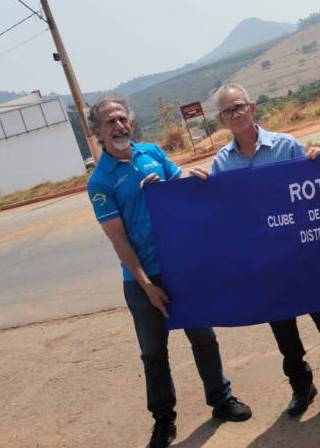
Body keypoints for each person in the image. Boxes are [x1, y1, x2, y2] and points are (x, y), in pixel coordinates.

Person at [85, 97, 252, 448]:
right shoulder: (100, 181)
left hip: (181, 267)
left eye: (122, 118)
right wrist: (147, 285)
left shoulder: (153, 153)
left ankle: (221, 400)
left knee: (203, 338)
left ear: (130, 122)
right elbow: (118, 240)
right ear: (97, 132)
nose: (118, 126)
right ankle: (164, 420)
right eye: (109, 122)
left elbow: (181, 190)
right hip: (141, 281)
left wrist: (193, 177)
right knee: (153, 354)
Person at [189, 83, 320, 418]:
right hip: (265, 262)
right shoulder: (222, 164)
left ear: (251, 107)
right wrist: (197, 187)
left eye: (239, 106)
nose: (235, 114)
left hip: (303, 254)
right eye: (228, 111)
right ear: (221, 120)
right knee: (284, 333)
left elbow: (313, 187)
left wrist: (317, 161)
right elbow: (220, 210)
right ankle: (301, 386)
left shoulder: (286, 145)